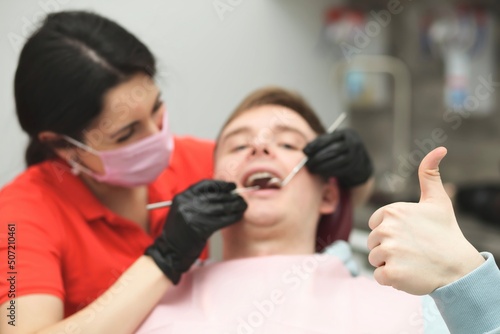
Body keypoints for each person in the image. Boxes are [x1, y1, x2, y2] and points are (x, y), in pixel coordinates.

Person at [0, 11, 374, 334]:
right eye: (126, 133)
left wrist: (357, 177)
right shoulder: (18, 219)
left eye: (157, 109)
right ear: (63, 145)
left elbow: (305, 196)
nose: (158, 136)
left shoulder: (197, 159)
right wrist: (163, 259)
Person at [135, 87, 500, 334]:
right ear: (210, 184)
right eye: (239, 144)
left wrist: (467, 280)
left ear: (328, 195)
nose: (259, 148)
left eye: (288, 142)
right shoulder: (142, 307)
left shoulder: (409, 308)